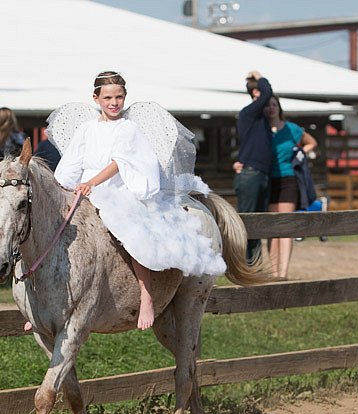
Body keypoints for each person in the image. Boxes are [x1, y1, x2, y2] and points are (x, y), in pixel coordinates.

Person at [53, 71, 225, 330]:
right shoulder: (86, 129)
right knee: (55, 227)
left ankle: (146, 295)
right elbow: (72, 162)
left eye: (119, 97)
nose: (114, 103)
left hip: (119, 190)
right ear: (96, 98)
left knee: (128, 232)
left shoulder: (128, 128)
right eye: (108, 97)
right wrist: (65, 186)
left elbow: (120, 162)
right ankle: (48, 299)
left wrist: (93, 183)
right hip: (87, 189)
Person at [265, 94, 318, 280]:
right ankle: (272, 272)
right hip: (270, 180)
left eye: (274, 104)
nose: (271, 108)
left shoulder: (292, 129)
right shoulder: (262, 129)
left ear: (279, 107)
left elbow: (312, 142)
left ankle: (283, 273)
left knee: (285, 225)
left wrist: (301, 153)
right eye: (268, 105)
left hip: (289, 179)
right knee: (272, 227)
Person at [233, 71, 273, 264]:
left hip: (259, 174)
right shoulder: (248, 112)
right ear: (256, 92)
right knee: (248, 224)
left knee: (257, 225)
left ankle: (254, 265)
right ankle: (244, 264)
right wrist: (260, 77)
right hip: (251, 174)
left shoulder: (260, 119)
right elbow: (267, 92)